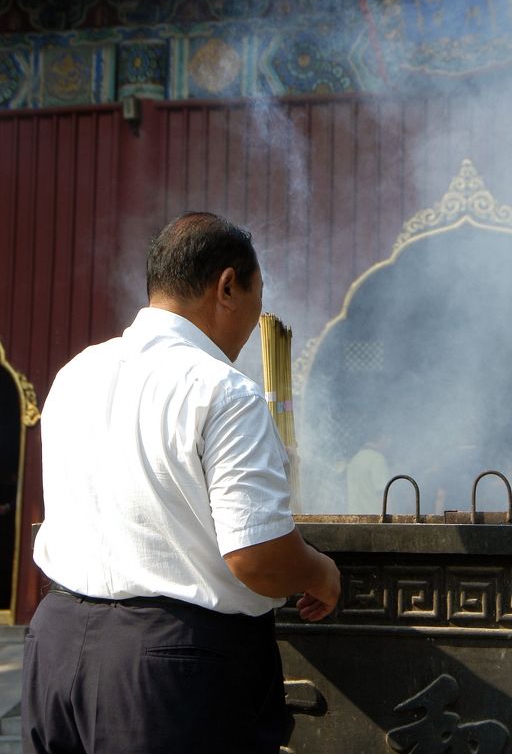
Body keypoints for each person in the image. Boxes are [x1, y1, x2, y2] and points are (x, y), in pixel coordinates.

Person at [22, 212, 341, 754]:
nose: (251, 324)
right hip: (168, 666)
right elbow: (256, 556)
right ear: (227, 287)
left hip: (54, 649)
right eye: (255, 300)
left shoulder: (76, 372)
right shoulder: (223, 390)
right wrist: (321, 572)